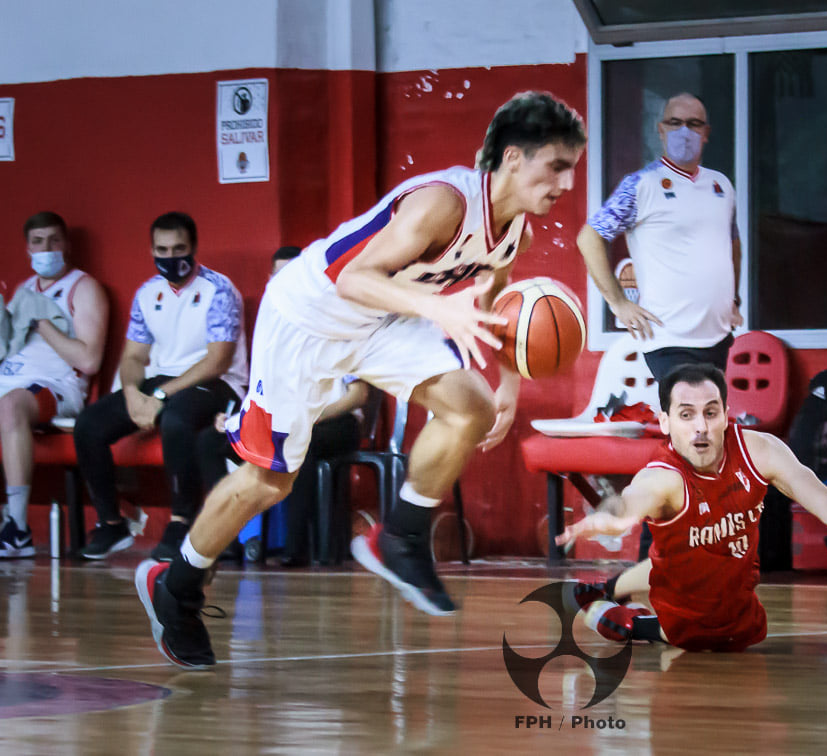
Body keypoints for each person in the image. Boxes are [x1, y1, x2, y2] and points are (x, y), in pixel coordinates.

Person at [135, 91, 587, 669]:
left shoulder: (514, 233)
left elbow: (492, 301)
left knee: (469, 408)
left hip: (381, 320)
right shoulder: (442, 202)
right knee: (268, 482)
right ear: (516, 159)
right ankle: (176, 588)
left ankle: (399, 538)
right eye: (558, 166)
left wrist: (509, 383)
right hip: (308, 315)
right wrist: (440, 311)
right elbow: (352, 278)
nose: (566, 184)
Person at [557, 363, 827, 653]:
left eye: (711, 413)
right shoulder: (663, 477)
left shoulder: (760, 451)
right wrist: (612, 517)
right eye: (686, 415)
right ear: (663, 422)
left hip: (744, 619)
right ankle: (603, 605)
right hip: (684, 623)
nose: (700, 427)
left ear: (726, 414)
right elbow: (631, 502)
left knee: (702, 559)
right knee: (661, 620)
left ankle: (606, 588)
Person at [577, 93, 744, 559]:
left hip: (716, 337)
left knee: (708, 447)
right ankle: (654, 553)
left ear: (707, 132)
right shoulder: (641, 185)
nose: (686, 130)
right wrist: (617, 303)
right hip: (667, 339)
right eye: (676, 121)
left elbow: (732, 243)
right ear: (661, 128)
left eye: (695, 123)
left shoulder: (721, 186)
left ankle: (697, 547)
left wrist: (735, 298)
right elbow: (590, 237)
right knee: (687, 443)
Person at [74, 212, 248, 560]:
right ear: (152, 250)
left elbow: (218, 360)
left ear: (194, 247)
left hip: (217, 383)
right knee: (88, 425)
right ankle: (111, 524)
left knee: (176, 419)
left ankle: (181, 521)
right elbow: (133, 357)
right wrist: (132, 396)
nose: (171, 257)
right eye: (162, 249)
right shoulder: (147, 293)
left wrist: (158, 396)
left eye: (179, 248)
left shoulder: (219, 289)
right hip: (163, 380)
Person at [196, 246, 369, 566]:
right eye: (281, 275)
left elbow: (357, 396)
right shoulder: (275, 330)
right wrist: (236, 418)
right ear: (272, 281)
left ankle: (294, 548)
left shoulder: (340, 322)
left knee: (298, 442)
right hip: (286, 419)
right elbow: (262, 390)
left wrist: (309, 417)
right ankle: (229, 541)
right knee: (211, 441)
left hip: (336, 421)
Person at [0, 212, 109, 558]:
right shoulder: (23, 290)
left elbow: (89, 360)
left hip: (57, 385)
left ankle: (17, 528)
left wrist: (43, 323)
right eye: (38, 242)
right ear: (27, 249)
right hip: (11, 376)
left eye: (54, 241)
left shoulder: (84, 287)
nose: (46, 249)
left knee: (10, 405)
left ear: (67, 245)